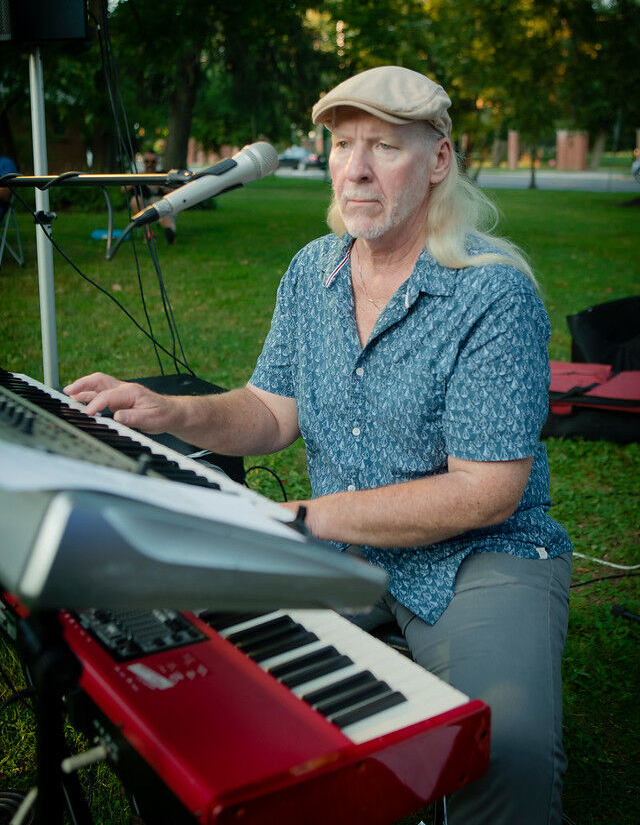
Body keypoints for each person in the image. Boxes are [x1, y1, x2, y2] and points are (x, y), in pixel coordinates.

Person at [65, 66, 572, 825]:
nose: (356, 168)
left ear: (437, 162)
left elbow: (484, 491)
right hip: (343, 548)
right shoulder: (313, 271)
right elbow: (270, 413)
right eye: (342, 144)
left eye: (384, 147)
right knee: (200, 666)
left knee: (506, 745)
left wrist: (303, 518)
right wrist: (167, 410)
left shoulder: (492, 293)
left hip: (479, 557)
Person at [123, 148, 177, 244]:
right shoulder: (139, 175)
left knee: (161, 206)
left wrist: (161, 187)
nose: (149, 164)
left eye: (153, 162)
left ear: (157, 162)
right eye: (147, 161)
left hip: (160, 201)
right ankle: (149, 233)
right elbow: (123, 189)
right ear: (143, 162)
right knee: (135, 200)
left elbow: (175, 190)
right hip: (144, 202)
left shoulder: (163, 174)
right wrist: (137, 179)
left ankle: (169, 232)